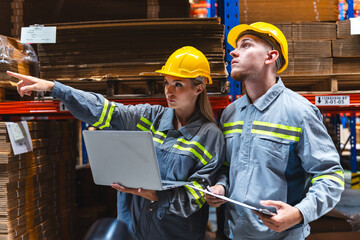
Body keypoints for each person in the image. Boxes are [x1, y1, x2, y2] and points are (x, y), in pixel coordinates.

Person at [9, 46, 225, 240]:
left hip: (177, 234)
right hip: (137, 230)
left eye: (178, 84)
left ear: (199, 88)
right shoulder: (151, 118)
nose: (168, 90)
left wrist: (157, 195)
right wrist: (54, 88)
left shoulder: (209, 136)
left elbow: (199, 194)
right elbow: (105, 110)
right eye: (166, 82)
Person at [205, 22, 345, 239]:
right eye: (236, 46)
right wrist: (221, 187)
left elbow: (330, 177)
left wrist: (299, 213)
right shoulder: (230, 113)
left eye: (246, 45)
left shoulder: (300, 113)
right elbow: (226, 165)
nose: (233, 51)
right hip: (233, 233)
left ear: (270, 57)